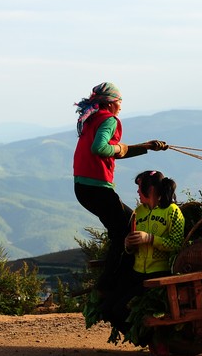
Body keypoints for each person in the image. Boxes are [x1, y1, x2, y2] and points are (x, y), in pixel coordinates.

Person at [72, 82, 168, 292]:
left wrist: (146, 147)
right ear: (112, 103)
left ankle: (112, 278)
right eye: (120, 102)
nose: (121, 107)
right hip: (97, 187)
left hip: (82, 187)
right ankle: (112, 283)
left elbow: (113, 151)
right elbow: (101, 148)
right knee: (126, 229)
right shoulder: (109, 120)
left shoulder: (91, 120)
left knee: (123, 225)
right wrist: (119, 147)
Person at [107, 170, 185, 356]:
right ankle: (148, 339)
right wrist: (128, 245)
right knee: (112, 309)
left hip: (159, 274)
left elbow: (177, 244)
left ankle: (158, 339)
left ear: (150, 189)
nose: (137, 192)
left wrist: (150, 238)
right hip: (136, 272)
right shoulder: (138, 213)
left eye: (139, 187)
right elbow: (132, 246)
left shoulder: (173, 212)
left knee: (135, 309)